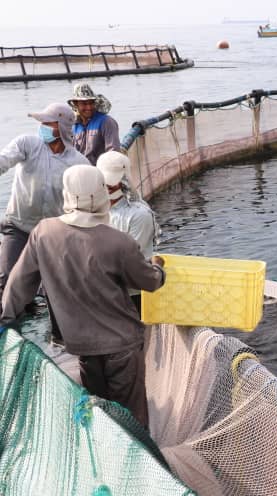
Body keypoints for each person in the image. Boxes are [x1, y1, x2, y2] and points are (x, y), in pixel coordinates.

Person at [0, 165, 166, 430]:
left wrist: (5, 319)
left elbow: (19, 285)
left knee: (100, 411)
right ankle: (140, 460)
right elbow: (149, 281)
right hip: (122, 345)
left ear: (67, 194)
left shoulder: (43, 233)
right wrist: (158, 268)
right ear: (100, 194)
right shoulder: (118, 241)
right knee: (132, 417)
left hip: (82, 347)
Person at [0, 103, 88, 305]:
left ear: (63, 127)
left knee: (58, 291)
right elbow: (3, 160)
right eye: (42, 122)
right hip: (18, 226)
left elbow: (86, 204)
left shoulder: (79, 163)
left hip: (53, 234)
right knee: (6, 281)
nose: (43, 126)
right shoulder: (27, 144)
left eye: (49, 123)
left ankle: (57, 332)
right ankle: (8, 325)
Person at [97, 151, 161, 313]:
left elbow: (130, 261)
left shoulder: (139, 214)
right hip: (104, 291)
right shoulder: (95, 210)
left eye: (112, 182)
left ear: (124, 180)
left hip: (132, 295)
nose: (108, 187)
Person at [68, 83, 121, 165]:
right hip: (80, 171)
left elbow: (113, 153)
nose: (89, 107)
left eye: (91, 103)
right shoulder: (73, 126)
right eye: (84, 104)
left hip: (101, 172)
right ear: (76, 104)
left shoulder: (107, 122)